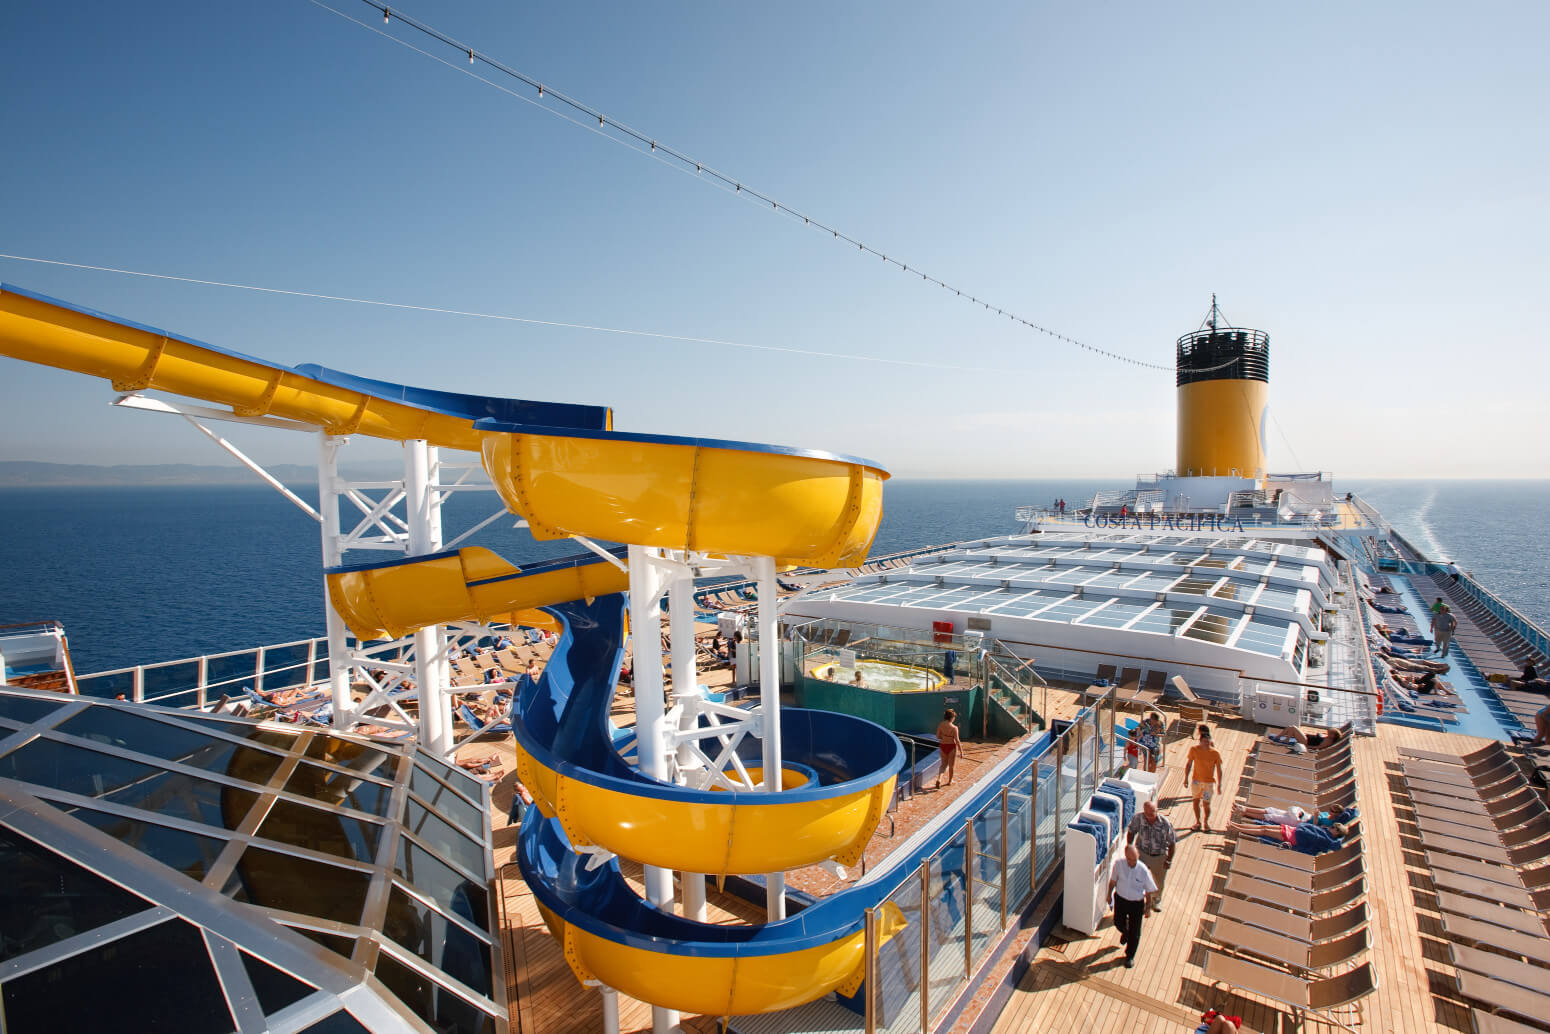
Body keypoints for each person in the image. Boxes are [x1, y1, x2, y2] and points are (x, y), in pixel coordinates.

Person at [1107, 842, 1158, 968]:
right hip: (1121, 899)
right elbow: (1113, 881)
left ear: (1138, 856)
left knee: (1135, 932)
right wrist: (1109, 894)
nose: (1132, 862)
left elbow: (1148, 891)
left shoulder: (1143, 870)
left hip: (1136, 903)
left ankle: (1130, 956)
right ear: (1125, 856)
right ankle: (1125, 931)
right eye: (1129, 859)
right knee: (1118, 922)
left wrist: (1148, 908)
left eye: (1134, 859)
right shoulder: (1119, 865)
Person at [1125, 800, 1176, 913]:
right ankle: (1138, 901)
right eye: (1147, 814)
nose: (1149, 817)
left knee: (1159, 881)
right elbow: (1131, 831)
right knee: (1138, 878)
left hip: (1159, 856)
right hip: (1142, 853)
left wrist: (1168, 860)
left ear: (1156, 811)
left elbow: (1172, 843)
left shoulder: (1165, 823)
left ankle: (1156, 899)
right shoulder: (1138, 818)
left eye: (1152, 813)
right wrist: (1129, 847)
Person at [1227, 819, 1350, 855]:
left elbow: (1336, 846)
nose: (1333, 827)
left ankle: (1236, 828)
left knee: (1264, 831)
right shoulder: (1326, 832)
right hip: (1294, 830)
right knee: (1264, 828)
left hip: (1293, 838)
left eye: (1336, 828)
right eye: (1334, 826)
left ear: (1337, 834)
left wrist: (1294, 848)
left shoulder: (1327, 840)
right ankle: (1236, 825)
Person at [1183, 724, 1224, 832]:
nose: (1206, 744)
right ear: (1200, 741)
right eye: (1204, 742)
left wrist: (1219, 784)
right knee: (1195, 802)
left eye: (1207, 742)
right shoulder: (1194, 750)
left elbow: (1219, 769)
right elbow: (1188, 764)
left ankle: (1206, 822)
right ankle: (1198, 822)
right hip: (1196, 782)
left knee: (1206, 804)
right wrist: (1186, 778)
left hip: (1208, 784)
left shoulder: (1215, 753)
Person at [935, 708, 961, 789]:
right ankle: (950, 781)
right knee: (951, 766)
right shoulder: (954, 728)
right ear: (952, 717)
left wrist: (944, 737)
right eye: (954, 717)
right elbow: (957, 740)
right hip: (951, 747)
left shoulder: (941, 724)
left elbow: (937, 736)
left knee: (943, 765)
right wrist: (961, 751)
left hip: (943, 746)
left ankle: (939, 779)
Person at [1275, 725, 1344, 751]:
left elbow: (1318, 747)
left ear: (1333, 735)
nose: (1328, 731)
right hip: (1306, 738)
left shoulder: (1329, 741)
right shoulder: (1327, 737)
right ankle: (1280, 738)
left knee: (1293, 728)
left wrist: (1307, 746)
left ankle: (1282, 739)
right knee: (1290, 727)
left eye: (1331, 732)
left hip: (1305, 741)